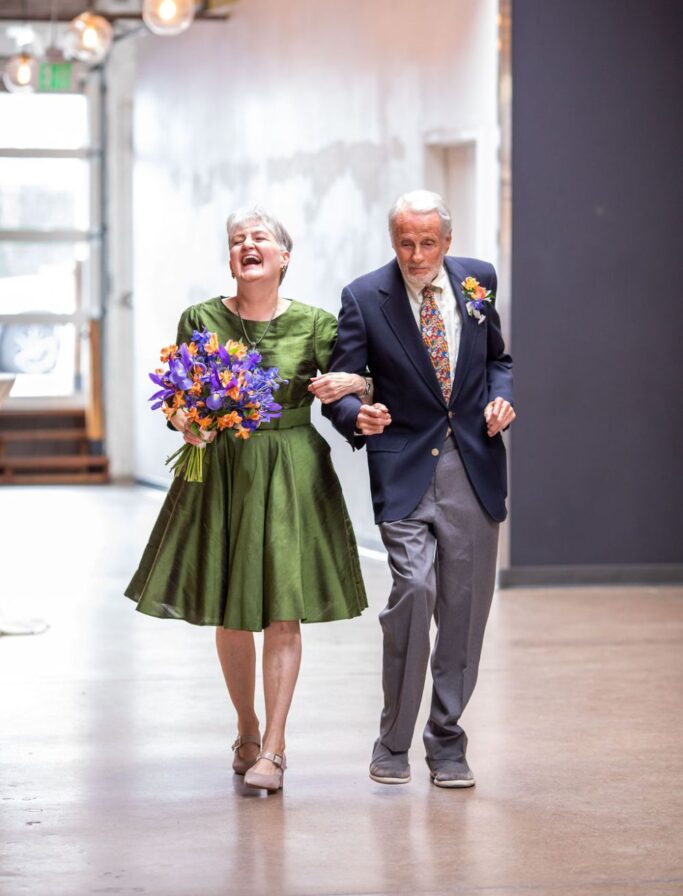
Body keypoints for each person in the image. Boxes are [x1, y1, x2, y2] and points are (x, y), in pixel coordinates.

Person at [125, 207, 368, 792]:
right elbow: (180, 400)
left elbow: (356, 378)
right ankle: (247, 727)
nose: (248, 245)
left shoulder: (316, 323)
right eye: (238, 240)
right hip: (221, 468)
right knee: (231, 606)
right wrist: (187, 422)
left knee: (282, 606)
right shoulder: (201, 318)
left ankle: (277, 748)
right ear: (231, 258)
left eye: (260, 238)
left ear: (285, 257)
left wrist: (357, 385)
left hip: (290, 469)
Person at [316, 189, 514, 789]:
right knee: (415, 589)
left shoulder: (478, 281)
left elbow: (498, 359)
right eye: (406, 241)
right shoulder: (363, 296)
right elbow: (344, 385)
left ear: (447, 242)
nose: (417, 253)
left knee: (465, 608)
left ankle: (447, 740)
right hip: (403, 465)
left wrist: (503, 398)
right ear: (392, 239)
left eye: (428, 242)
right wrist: (357, 415)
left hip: (472, 463)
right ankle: (392, 739)